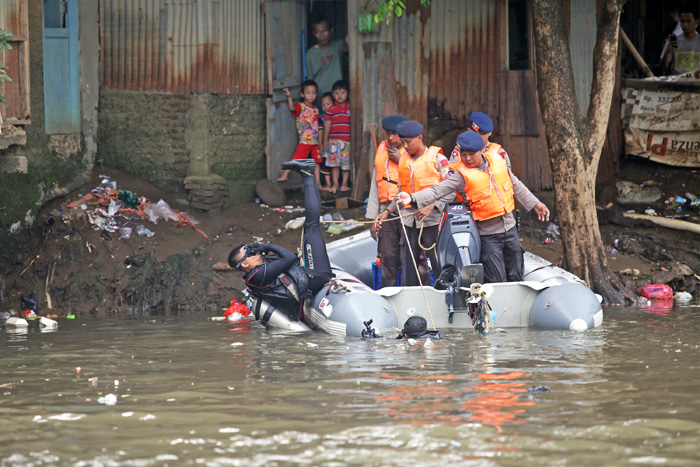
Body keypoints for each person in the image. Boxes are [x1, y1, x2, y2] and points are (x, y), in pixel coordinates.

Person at [395, 131, 550, 284]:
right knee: (496, 278)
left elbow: (515, 184)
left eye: (471, 154)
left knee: (516, 273)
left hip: (510, 229)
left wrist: (535, 203)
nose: (467, 158)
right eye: (463, 154)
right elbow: (438, 189)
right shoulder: (459, 174)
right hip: (487, 234)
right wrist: (412, 197)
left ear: (481, 151)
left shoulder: (498, 161)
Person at [229, 159, 332, 321]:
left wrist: (263, 249)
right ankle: (308, 174)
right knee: (312, 224)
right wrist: (267, 245)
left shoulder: (258, 271)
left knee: (310, 226)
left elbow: (288, 259)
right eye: (249, 252)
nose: (254, 251)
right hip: (314, 278)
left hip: (306, 277)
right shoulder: (258, 275)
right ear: (244, 264)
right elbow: (289, 257)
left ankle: (307, 173)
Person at [381, 120, 451, 287]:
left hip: (432, 221)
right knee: (408, 264)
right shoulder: (404, 160)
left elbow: (451, 189)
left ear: (419, 138)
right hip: (409, 220)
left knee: (437, 262)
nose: (405, 146)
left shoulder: (438, 159)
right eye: (402, 142)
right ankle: (411, 297)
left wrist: (432, 206)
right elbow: (400, 191)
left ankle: (443, 294)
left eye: (408, 142)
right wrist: (389, 210)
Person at [366, 114, 409, 287]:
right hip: (385, 210)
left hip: (407, 210)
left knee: (408, 256)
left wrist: (402, 161)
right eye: (388, 133)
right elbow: (375, 186)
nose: (391, 138)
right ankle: (387, 295)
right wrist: (372, 218)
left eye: (396, 134)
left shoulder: (412, 149)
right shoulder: (382, 150)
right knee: (387, 256)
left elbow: (421, 178)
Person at [277, 80, 321, 185]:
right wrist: (290, 97)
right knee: (296, 159)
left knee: (317, 163)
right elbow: (292, 108)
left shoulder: (316, 109)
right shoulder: (301, 106)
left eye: (314, 93)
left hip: (315, 142)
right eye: (308, 93)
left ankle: (318, 183)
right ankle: (285, 175)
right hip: (305, 141)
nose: (311, 95)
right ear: (302, 94)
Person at [306, 17, 348, 101]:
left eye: (324, 30)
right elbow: (309, 80)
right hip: (320, 100)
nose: (321, 35)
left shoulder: (338, 46)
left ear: (331, 30)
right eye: (317, 32)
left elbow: (347, 48)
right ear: (313, 33)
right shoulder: (310, 54)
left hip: (338, 97)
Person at [322, 79, 351, 193]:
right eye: (336, 93)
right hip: (333, 142)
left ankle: (344, 184)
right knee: (334, 165)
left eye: (342, 92)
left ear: (347, 93)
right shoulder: (331, 109)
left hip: (347, 142)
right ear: (333, 94)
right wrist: (325, 140)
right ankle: (335, 185)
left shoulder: (350, 108)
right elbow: (327, 125)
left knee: (345, 165)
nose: (339, 96)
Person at [661, 7, 700, 76]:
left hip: (695, 81)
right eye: (682, 21)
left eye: (688, 21)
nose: (685, 25)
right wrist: (667, 51)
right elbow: (663, 68)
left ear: (696, 21)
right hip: (677, 81)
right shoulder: (674, 40)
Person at [319, 92, 335, 190]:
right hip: (326, 145)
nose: (325, 107)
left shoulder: (336, 116)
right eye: (323, 105)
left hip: (334, 144)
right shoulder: (321, 118)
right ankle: (328, 183)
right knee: (325, 164)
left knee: (335, 164)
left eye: (328, 104)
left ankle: (334, 183)